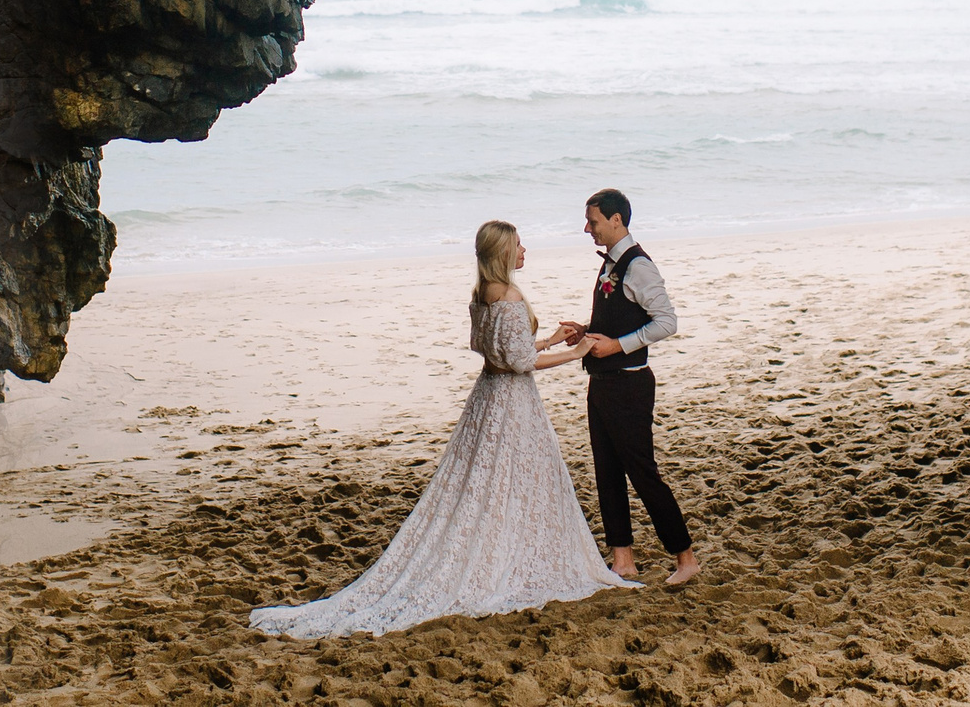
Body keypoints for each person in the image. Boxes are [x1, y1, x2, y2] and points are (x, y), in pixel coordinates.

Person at [250, 220, 633, 637]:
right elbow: (519, 363)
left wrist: (549, 339)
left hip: (488, 397)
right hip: (513, 403)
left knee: (481, 483)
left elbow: (498, 354)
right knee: (513, 481)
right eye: (519, 245)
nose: (525, 251)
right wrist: (576, 351)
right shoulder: (508, 295)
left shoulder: (482, 294)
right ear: (503, 252)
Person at [558, 188, 699, 586]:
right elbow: (622, 316)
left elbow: (667, 322)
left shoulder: (639, 266)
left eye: (594, 221)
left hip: (631, 384)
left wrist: (618, 345)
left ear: (617, 219)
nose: (588, 228)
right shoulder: (610, 264)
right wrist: (586, 334)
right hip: (601, 383)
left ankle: (686, 558)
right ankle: (623, 560)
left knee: (642, 472)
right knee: (606, 472)